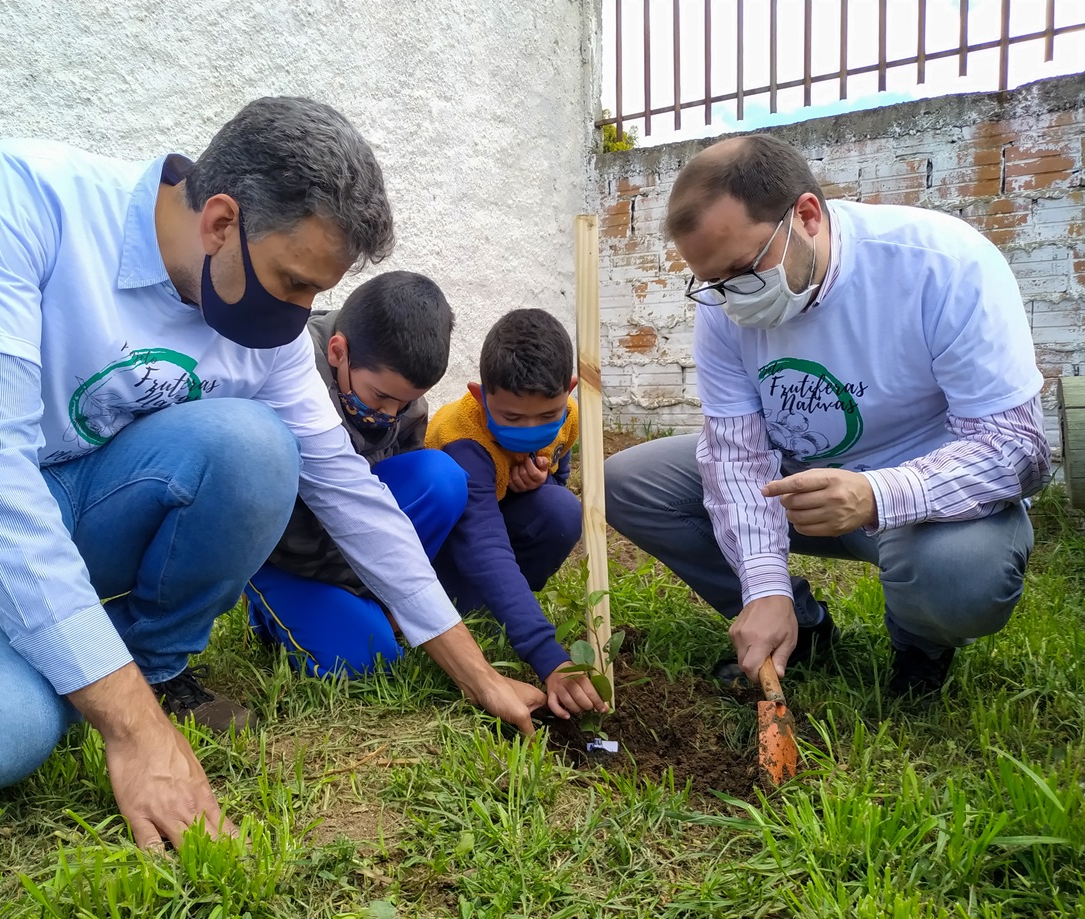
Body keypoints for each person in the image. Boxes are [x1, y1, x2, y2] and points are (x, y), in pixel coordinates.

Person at [0, 97, 546, 851]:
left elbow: (348, 491)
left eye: (315, 295)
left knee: (259, 446)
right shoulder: (15, 197)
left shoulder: (265, 332)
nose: (302, 313)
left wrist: (477, 672)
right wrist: (136, 734)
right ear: (221, 222)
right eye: (294, 283)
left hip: (72, 489)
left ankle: (144, 665)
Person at [604, 133, 1050, 697]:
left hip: (924, 506)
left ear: (807, 216)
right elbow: (735, 454)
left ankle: (920, 642)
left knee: (962, 575)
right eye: (713, 282)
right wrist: (764, 586)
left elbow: (1019, 449)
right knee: (627, 484)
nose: (732, 298)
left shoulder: (943, 265)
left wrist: (875, 494)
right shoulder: (725, 307)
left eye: (742, 270)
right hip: (797, 486)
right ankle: (795, 624)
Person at [245, 270, 469, 676]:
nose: (390, 414)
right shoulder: (287, 365)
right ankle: (268, 607)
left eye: (406, 401)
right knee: (369, 660)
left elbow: (386, 511)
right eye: (381, 396)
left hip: (353, 544)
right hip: (286, 553)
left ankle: (372, 604)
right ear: (337, 351)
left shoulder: (400, 401)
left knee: (442, 477)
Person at [428, 309, 609, 719]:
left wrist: (536, 483)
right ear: (479, 396)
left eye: (546, 415)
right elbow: (482, 541)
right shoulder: (463, 438)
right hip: (445, 547)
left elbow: (556, 485)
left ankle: (496, 611)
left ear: (569, 390)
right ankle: (458, 612)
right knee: (490, 548)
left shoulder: (570, 419)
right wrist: (547, 655)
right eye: (511, 417)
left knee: (560, 509)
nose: (531, 428)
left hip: (488, 528)